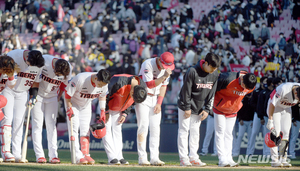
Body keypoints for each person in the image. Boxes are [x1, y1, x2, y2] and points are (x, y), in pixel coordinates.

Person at [177, 53, 221, 166]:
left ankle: (193, 157)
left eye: (215, 68)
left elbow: (212, 94)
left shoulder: (214, 74)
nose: (213, 70)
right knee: (183, 131)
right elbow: (186, 91)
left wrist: (207, 109)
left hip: (199, 107)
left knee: (195, 133)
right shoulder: (192, 71)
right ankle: (183, 158)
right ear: (206, 63)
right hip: (185, 105)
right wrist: (187, 107)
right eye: (212, 67)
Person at [1, 50, 44, 162]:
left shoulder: (38, 63)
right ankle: (5, 151)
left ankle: (16, 153)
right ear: (26, 58)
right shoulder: (14, 56)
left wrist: (33, 96)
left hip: (23, 92)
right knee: (7, 120)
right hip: (8, 90)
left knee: (19, 122)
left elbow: (35, 82)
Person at [31, 55, 72, 163]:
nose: (57, 77)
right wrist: (33, 96)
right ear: (54, 67)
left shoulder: (68, 69)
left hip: (53, 96)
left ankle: (53, 155)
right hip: (38, 95)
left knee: (52, 126)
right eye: (57, 74)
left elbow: (64, 84)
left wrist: (59, 96)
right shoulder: (44, 61)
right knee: (37, 125)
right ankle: (39, 155)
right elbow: (35, 79)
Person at [64, 69, 111, 164]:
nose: (101, 86)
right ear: (96, 78)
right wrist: (69, 108)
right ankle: (77, 156)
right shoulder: (80, 79)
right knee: (74, 129)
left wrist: (102, 110)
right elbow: (67, 94)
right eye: (100, 84)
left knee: (85, 130)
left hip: (86, 105)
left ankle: (86, 154)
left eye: (103, 85)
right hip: (73, 104)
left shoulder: (104, 83)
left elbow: (102, 96)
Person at [135, 52, 174, 166]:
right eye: (165, 65)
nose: (166, 68)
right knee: (143, 127)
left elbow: (163, 86)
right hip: (143, 97)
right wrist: (164, 76)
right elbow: (149, 84)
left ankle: (154, 158)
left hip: (155, 98)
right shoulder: (148, 63)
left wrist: (159, 103)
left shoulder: (166, 70)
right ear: (160, 61)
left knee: (155, 129)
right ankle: (142, 157)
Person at [213, 71, 257, 167]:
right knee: (220, 132)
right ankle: (222, 159)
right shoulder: (228, 78)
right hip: (219, 108)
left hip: (233, 111)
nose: (244, 89)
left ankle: (229, 158)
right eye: (244, 86)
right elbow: (212, 89)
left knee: (229, 134)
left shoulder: (250, 86)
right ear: (241, 79)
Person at [102, 74, 147, 165]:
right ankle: (112, 157)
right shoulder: (119, 82)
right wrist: (105, 111)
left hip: (119, 108)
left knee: (117, 131)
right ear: (132, 92)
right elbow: (104, 94)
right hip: (108, 106)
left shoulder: (142, 88)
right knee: (106, 130)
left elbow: (132, 102)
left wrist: (125, 113)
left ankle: (119, 156)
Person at [266, 82, 300, 167]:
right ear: (295, 92)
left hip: (287, 108)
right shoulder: (283, 89)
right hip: (275, 108)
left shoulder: (298, 92)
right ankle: (274, 160)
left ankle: (283, 159)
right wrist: (270, 120)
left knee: (285, 133)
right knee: (276, 133)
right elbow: (272, 104)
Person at [248, 76, 268, 156]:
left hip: (266, 115)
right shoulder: (256, 92)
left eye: (267, 81)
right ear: (262, 82)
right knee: (254, 133)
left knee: (266, 134)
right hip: (257, 114)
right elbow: (251, 103)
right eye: (265, 81)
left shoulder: (268, 91)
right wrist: (258, 109)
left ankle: (266, 153)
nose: (266, 83)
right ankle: (250, 152)